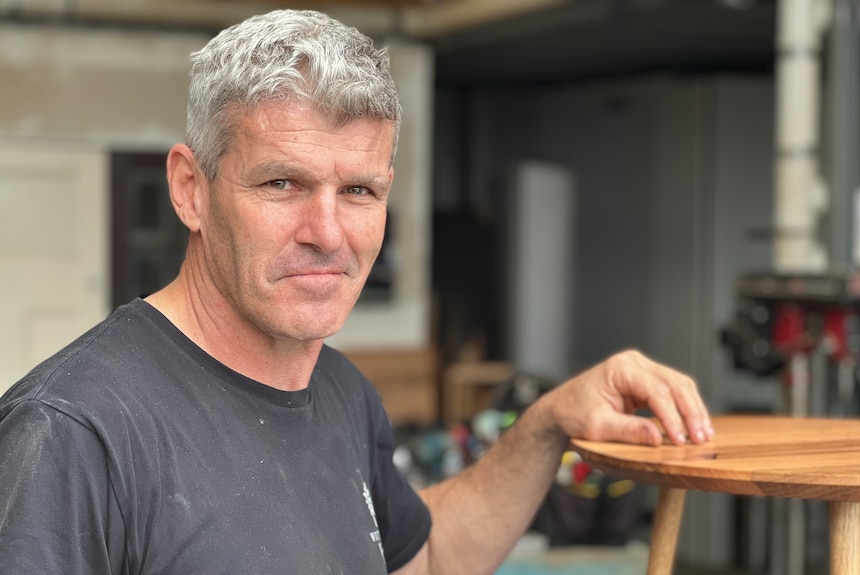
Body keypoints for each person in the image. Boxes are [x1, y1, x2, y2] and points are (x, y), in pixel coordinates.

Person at [0, 9, 713, 575]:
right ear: (192, 189)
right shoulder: (73, 432)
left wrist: (548, 421)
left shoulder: (341, 393)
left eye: (358, 190)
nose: (327, 231)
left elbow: (425, 559)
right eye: (283, 183)